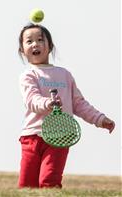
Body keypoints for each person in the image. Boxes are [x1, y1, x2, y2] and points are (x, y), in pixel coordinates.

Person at [17, 23, 115, 188]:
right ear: (22, 50)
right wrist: (48, 102)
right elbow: (32, 100)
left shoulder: (65, 75)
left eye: (40, 40)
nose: (35, 44)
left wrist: (99, 119)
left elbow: (79, 104)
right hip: (32, 136)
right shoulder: (28, 75)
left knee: (49, 182)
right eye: (29, 41)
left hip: (60, 136)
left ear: (50, 47)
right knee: (27, 185)